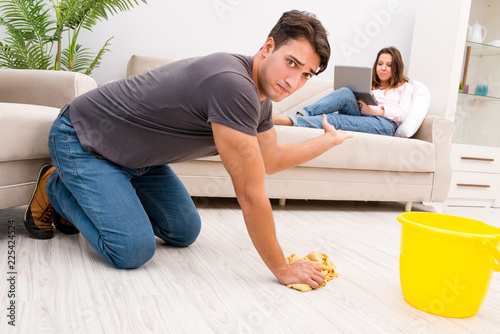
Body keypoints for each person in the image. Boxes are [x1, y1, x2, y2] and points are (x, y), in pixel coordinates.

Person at [24, 10, 352, 289]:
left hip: (139, 160)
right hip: (82, 138)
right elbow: (251, 195)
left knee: (183, 231)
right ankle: (56, 186)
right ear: (268, 47)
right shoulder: (233, 85)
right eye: (291, 63)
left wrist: (325, 141)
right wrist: (281, 268)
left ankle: (92, 192)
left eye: (306, 74)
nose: (294, 81)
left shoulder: (260, 99)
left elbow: (272, 161)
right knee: (131, 250)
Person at [273, 46, 413, 136]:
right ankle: (301, 114)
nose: (383, 68)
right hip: (363, 115)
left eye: (389, 65)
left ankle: (290, 121)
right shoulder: (371, 86)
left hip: (384, 124)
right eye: (380, 63)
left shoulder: (404, 87)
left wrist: (375, 111)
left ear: (396, 67)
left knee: (334, 119)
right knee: (346, 92)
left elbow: (402, 114)